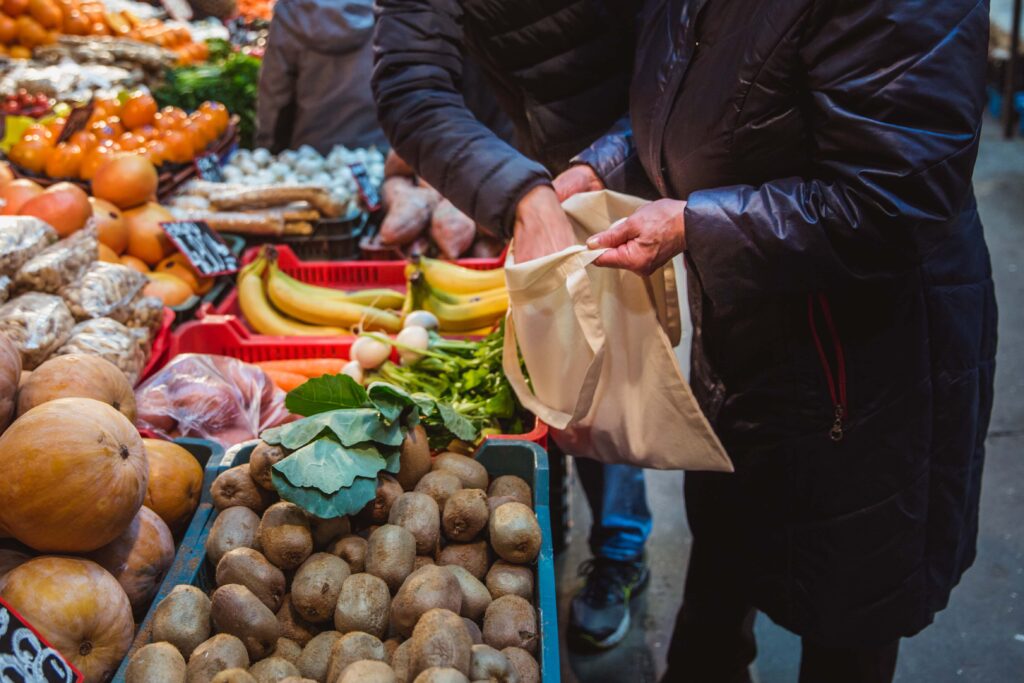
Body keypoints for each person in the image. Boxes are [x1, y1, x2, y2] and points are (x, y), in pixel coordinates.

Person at [561, 1, 996, 681]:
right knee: (723, 572)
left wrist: (697, 226)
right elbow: (692, 99)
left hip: (866, 372)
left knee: (848, 611)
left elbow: (896, 195)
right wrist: (604, 167)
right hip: (748, 335)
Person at [372, 0, 653, 650]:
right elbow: (410, 80)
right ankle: (573, 518)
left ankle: (619, 549)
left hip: (613, 161)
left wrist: (598, 165)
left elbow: (677, 73)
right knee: (557, 372)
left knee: (608, 374)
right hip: (504, 161)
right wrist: (516, 189)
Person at [255, 0, 387, 153]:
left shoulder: (291, 9)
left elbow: (275, 92)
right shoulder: (389, 7)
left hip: (308, 153)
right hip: (376, 150)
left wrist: (268, 150)